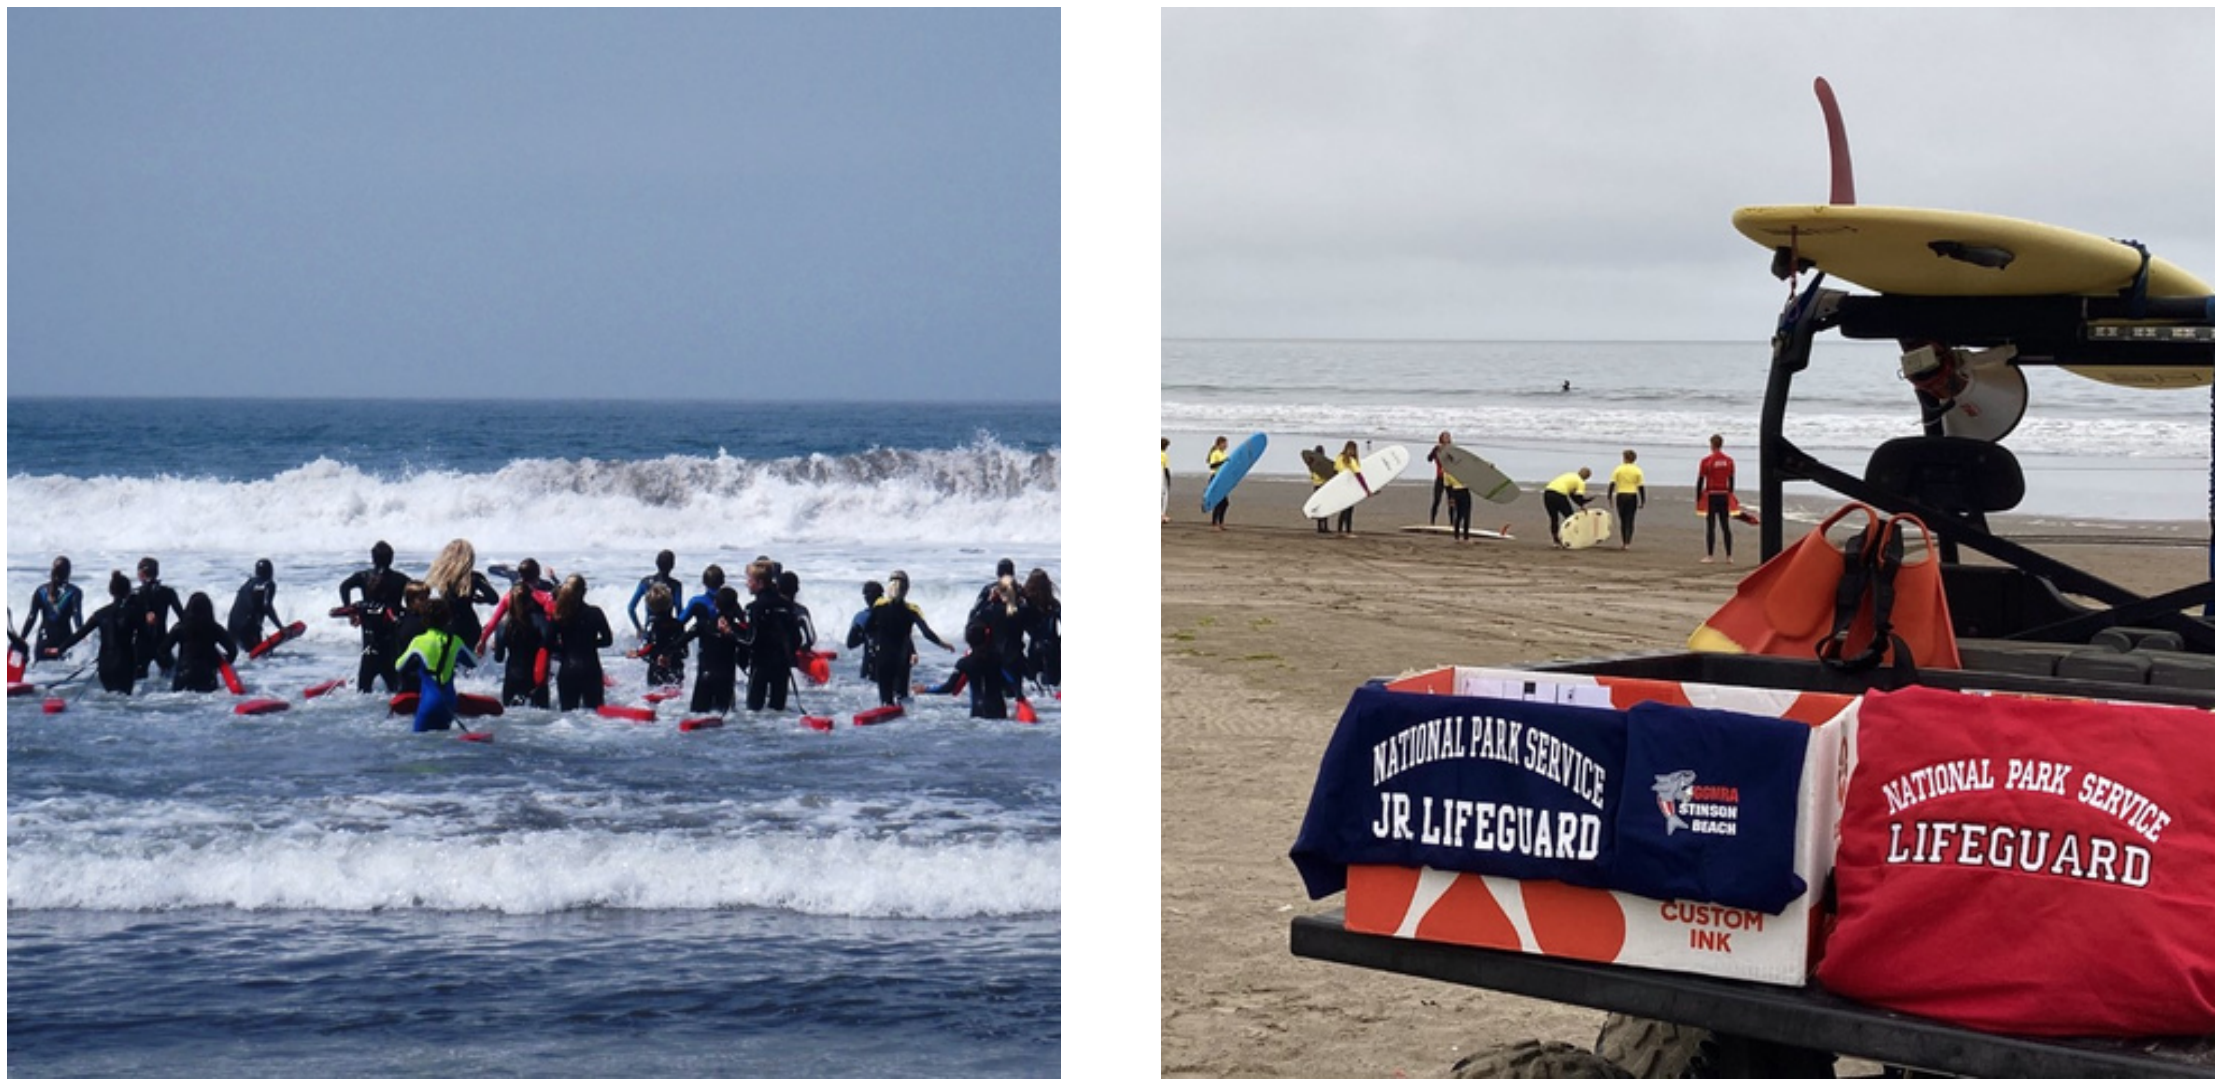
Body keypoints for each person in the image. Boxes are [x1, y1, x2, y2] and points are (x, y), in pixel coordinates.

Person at [865, 570, 954, 706]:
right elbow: (926, 633)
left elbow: (868, 628)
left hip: (882, 658)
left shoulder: (879, 605)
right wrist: (944, 644)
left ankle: (883, 724)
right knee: (902, 699)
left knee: (885, 702)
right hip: (901, 659)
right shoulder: (912, 609)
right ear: (907, 589)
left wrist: (873, 647)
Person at [396, 597, 477, 733]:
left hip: (429, 701)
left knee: (420, 744)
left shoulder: (419, 641)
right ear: (448, 619)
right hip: (450, 702)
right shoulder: (455, 641)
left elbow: (398, 666)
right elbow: (473, 662)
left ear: (424, 619)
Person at [338, 541, 411, 693]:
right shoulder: (401, 579)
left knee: (364, 687)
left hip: (369, 637)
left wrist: (350, 611)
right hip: (390, 637)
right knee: (394, 684)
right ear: (391, 559)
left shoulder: (363, 576)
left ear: (373, 559)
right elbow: (416, 593)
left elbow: (344, 586)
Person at [55, 571, 139, 695]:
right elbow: (147, 636)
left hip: (105, 665)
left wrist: (60, 649)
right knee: (123, 702)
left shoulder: (99, 614)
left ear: (111, 592)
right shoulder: (134, 613)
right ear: (128, 591)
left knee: (110, 700)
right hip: (124, 664)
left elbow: (80, 634)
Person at [915, 623, 1009, 720]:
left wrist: (926, 689)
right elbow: (1011, 681)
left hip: (978, 713)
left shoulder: (964, 663)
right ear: (987, 638)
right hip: (999, 711)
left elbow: (948, 688)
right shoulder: (998, 658)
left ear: (967, 640)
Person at [548, 574, 613, 711]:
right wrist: (589, 644)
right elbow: (608, 640)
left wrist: (566, 648)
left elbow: (548, 644)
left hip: (568, 670)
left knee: (568, 717)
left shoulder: (559, 615)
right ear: (584, 592)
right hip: (591, 669)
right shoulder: (595, 613)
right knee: (595, 715)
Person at [742, 561, 800, 712]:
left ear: (759, 583)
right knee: (778, 711)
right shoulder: (787, 605)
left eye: (749, 580)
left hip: (760, 664)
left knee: (753, 712)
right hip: (781, 665)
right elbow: (797, 638)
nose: (746, 584)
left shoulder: (754, 608)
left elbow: (750, 641)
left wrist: (730, 633)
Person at [424, 539, 500, 649]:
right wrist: (481, 599)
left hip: (448, 625)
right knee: (468, 662)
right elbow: (494, 599)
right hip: (470, 626)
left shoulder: (442, 577)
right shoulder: (474, 578)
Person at [490, 581, 552, 708]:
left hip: (512, 677)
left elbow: (499, 658)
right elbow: (550, 645)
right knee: (542, 721)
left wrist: (495, 647)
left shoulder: (503, 624)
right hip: (536, 677)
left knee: (513, 719)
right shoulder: (540, 620)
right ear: (530, 599)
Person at [683, 585, 744, 714]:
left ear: (715, 604)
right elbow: (747, 651)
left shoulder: (703, 625)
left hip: (705, 678)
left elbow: (681, 640)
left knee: (696, 716)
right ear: (735, 607)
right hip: (725, 680)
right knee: (724, 719)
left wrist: (664, 654)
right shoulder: (737, 630)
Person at [162, 592, 238, 694]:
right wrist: (220, 663)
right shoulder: (214, 628)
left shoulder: (180, 627)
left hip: (183, 677)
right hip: (207, 678)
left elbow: (163, 650)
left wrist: (175, 665)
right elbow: (233, 650)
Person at [127, 557, 186, 680]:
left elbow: (127, 622)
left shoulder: (134, 594)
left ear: (141, 574)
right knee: (171, 676)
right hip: (162, 642)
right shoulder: (169, 592)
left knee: (137, 680)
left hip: (141, 644)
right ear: (157, 573)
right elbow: (183, 617)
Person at [18, 556, 83, 662]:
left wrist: (22, 638)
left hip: (43, 641)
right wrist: (82, 635)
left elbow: (31, 617)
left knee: (41, 675)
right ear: (69, 572)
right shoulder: (74, 592)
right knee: (63, 676)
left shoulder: (40, 591)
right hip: (64, 641)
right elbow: (77, 616)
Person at [635, 583, 690, 689]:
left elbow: (644, 651)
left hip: (656, 670)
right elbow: (685, 653)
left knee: (655, 700)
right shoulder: (678, 625)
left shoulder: (651, 626)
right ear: (671, 604)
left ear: (650, 607)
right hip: (675, 669)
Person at [226, 559, 283, 653]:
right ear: (271, 572)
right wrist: (280, 628)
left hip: (232, 625)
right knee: (259, 656)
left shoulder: (247, 584)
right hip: (248, 628)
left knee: (244, 656)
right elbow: (267, 607)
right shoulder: (269, 584)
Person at [1698, 434, 1738, 565]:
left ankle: (1710, 556)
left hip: (1711, 495)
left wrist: (1698, 496)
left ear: (1711, 445)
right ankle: (1730, 556)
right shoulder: (1729, 461)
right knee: (1725, 525)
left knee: (1711, 526)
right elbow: (1731, 480)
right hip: (1724, 495)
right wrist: (1730, 494)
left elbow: (1701, 480)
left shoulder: (1706, 461)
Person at [627, 550, 685, 637]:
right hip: (668, 630)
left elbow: (631, 608)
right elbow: (679, 611)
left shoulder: (645, 582)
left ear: (656, 563)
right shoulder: (676, 585)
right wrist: (680, 632)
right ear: (672, 565)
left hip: (650, 629)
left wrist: (639, 628)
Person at [1021, 568, 1060, 690]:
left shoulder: (1026, 605)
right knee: (1052, 683)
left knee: (1036, 684)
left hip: (1035, 648)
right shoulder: (1054, 604)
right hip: (1053, 648)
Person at [391, 582, 433, 695]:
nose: (427, 602)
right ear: (411, 601)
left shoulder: (422, 620)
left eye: (427, 598)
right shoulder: (410, 622)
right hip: (411, 675)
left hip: (418, 673)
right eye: (422, 599)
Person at [1542, 468, 1593, 547]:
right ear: (1587, 477)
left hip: (1547, 493)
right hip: (1559, 495)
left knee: (1554, 518)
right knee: (1570, 518)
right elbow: (1578, 497)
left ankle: (1556, 541)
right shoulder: (1581, 482)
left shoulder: (1570, 475)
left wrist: (1582, 505)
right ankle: (1571, 539)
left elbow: (1572, 496)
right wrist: (1584, 503)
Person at [846, 579, 885, 681]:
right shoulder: (894, 614)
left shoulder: (862, 617)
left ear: (866, 598)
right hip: (891, 663)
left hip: (870, 664)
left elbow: (850, 643)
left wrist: (866, 636)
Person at [1610, 449, 1648, 551]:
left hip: (1621, 496)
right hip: (1632, 496)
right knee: (1630, 520)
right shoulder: (1637, 470)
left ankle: (1623, 542)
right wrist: (1643, 500)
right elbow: (1640, 486)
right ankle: (1627, 542)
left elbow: (1612, 483)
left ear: (1624, 458)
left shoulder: (1618, 469)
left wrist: (1609, 497)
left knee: (1623, 521)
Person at [1442, 449, 1475, 543]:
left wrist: (1451, 498)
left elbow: (1447, 487)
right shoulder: (1461, 468)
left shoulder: (1446, 472)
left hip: (1455, 493)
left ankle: (1456, 537)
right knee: (1466, 515)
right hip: (1464, 492)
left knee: (1458, 515)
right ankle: (1466, 538)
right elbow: (1475, 468)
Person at [1333, 441, 1364, 535]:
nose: (1352, 451)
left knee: (1344, 509)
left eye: (1353, 450)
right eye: (1351, 449)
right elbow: (1358, 475)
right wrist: (1366, 489)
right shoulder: (1351, 460)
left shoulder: (1339, 457)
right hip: (1349, 487)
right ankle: (1348, 531)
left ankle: (1340, 530)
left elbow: (1335, 470)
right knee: (1348, 510)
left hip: (1341, 486)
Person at [1425, 433, 1453, 526]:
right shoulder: (1437, 449)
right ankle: (1432, 522)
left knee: (1451, 501)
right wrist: (1435, 451)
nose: (1447, 439)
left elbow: (1457, 462)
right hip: (1440, 478)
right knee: (1437, 500)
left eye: (1448, 437)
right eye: (1445, 437)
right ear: (1441, 438)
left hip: (1450, 479)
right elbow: (1429, 459)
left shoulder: (1453, 450)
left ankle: (1452, 523)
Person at [1205, 436, 1232, 531]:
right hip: (1215, 478)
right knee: (1220, 502)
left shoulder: (1223, 453)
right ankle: (1215, 524)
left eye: (1226, 443)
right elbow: (1212, 466)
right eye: (1224, 443)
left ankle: (1220, 523)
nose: (1226, 445)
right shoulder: (1215, 453)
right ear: (1219, 444)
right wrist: (1223, 462)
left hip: (1222, 479)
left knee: (1224, 503)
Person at [1307, 445, 1334, 533]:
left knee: (1318, 507)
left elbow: (1312, 476)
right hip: (1323, 486)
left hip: (1316, 486)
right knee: (1325, 506)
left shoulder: (1311, 464)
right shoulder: (1323, 463)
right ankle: (1325, 527)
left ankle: (1319, 527)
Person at [1161, 437, 1173, 524]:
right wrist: (1168, 480)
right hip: (1161, 475)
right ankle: (1162, 515)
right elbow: (1165, 469)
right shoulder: (1163, 455)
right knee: (1164, 495)